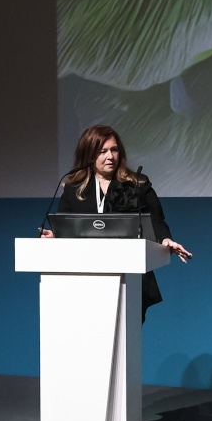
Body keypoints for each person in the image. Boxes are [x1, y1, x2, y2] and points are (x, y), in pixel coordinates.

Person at [41, 125, 191, 319]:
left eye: (114, 150)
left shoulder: (137, 184)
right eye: (102, 151)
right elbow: (66, 224)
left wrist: (165, 239)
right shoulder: (74, 189)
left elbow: (156, 220)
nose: (110, 156)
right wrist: (57, 237)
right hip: (85, 281)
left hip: (131, 277)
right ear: (89, 154)